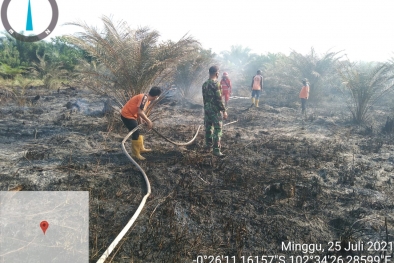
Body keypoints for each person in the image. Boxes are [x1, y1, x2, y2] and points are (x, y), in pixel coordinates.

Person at [120, 87, 162, 160]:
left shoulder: (146, 99)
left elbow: (138, 110)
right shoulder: (144, 99)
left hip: (132, 115)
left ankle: (141, 148)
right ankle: (135, 154)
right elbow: (140, 112)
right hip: (127, 115)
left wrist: (142, 120)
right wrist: (148, 121)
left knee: (139, 131)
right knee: (135, 133)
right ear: (156, 97)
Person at [202, 66, 228, 157]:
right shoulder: (216, 84)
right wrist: (224, 110)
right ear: (217, 73)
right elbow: (219, 99)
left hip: (207, 109)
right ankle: (216, 150)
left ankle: (208, 146)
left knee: (208, 128)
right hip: (215, 110)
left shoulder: (204, 84)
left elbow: (204, 99)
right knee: (217, 129)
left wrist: (206, 108)